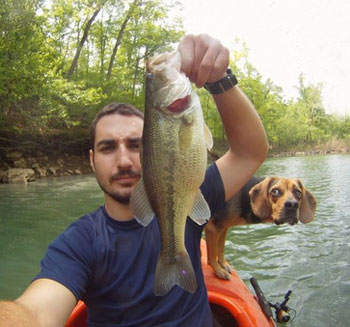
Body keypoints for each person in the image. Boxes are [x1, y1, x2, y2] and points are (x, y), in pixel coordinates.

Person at [0, 34, 268, 327]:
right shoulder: (81, 242)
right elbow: (35, 315)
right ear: (91, 159)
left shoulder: (189, 192)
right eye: (108, 147)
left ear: (152, 149)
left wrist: (219, 80)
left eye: (136, 144)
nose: (124, 160)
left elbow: (250, 151)